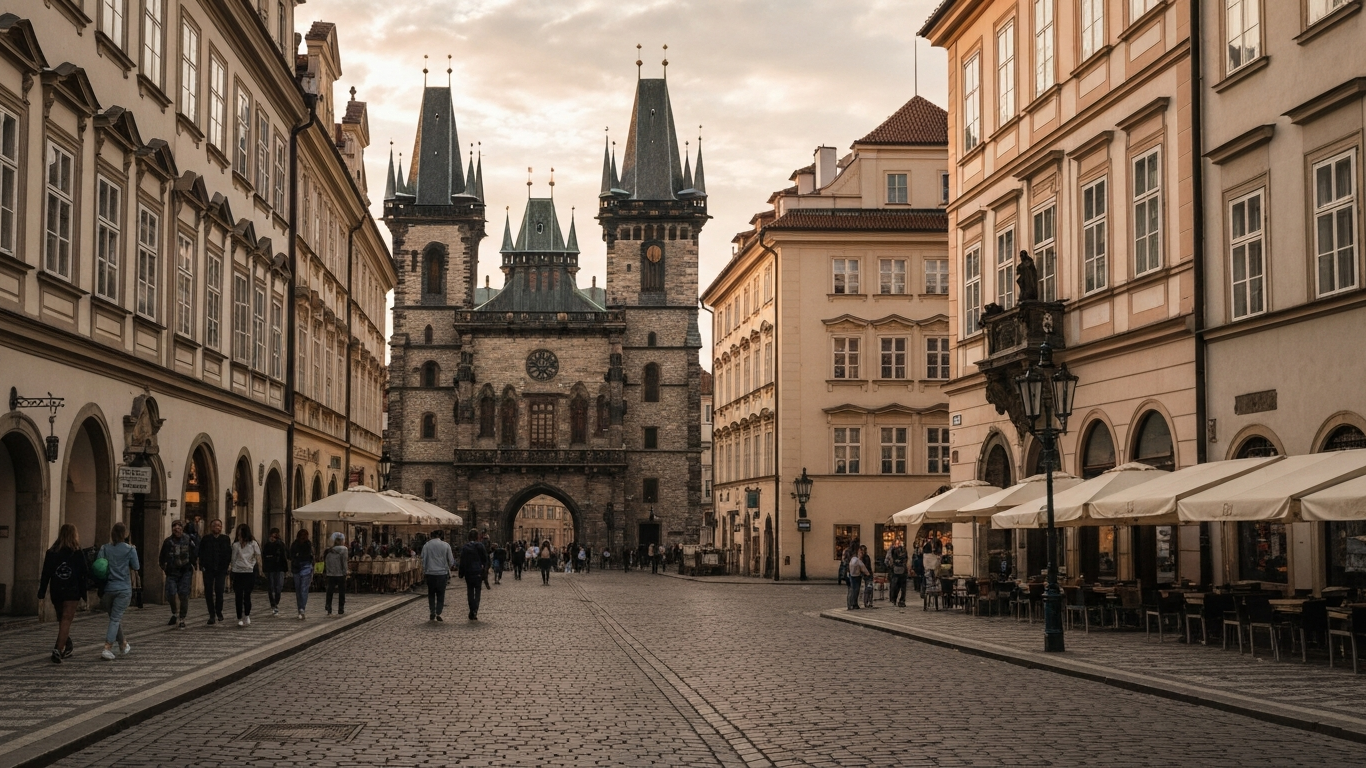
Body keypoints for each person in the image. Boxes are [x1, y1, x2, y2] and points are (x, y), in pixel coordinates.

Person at [38, 523, 87, 663]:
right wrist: (84, 593)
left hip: (57, 589)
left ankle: (66, 643)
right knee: (66, 619)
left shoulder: (51, 552)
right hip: (72, 590)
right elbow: (83, 573)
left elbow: (46, 573)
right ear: (74, 535)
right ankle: (58, 650)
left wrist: (42, 591)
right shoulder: (76, 552)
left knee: (62, 618)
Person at [97, 522, 139, 660]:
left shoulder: (104, 548)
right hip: (123, 589)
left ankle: (122, 644)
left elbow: (99, 565)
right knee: (115, 619)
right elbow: (136, 566)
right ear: (125, 534)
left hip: (108, 589)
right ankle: (107, 647)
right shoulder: (130, 549)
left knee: (114, 618)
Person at [158, 520, 196, 629]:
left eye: (179, 528)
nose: (177, 530)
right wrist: (164, 567)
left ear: (182, 529)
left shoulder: (188, 539)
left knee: (183, 594)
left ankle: (182, 618)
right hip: (172, 571)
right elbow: (162, 556)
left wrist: (193, 563)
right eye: (175, 528)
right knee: (170, 592)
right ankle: (174, 612)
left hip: (185, 571)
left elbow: (193, 552)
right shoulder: (168, 541)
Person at [198, 519, 231, 626]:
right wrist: (202, 565)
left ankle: (219, 611)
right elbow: (201, 552)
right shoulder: (206, 539)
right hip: (208, 569)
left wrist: (227, 565)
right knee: (208, 592)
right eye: (214, 525)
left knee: (219, 591)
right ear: (211, 527)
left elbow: (228, 553)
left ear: (221, 527)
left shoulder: (225, 539)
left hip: (221, 569)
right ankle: (211, 615)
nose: (216, 527)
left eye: (219, 525)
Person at [229, 524, 261, 627]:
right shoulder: (235, 545)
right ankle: (239, 617)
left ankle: (246, 614)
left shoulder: (253, 544)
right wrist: (232, 571)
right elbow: (233, 559)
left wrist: (257, 568)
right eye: (238, 534)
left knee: (247, 595)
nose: (239, 536)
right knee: (238, 596)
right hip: (238, 572)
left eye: (241, 534)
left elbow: (258, 556)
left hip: (249, 572)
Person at [421, 529, 455, 622]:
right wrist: (448, 567)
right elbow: (451, 560)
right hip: (442, 573)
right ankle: (438, 612)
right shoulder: (446, 545)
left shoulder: (426, 545)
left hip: (430, 573)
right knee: (441, 593)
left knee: (431, 593)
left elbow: (423, 559)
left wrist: (424, 570)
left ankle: (432, 611)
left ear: (432, 536)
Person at [459, 530, 490, 621]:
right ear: (477, 537)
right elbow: (485, 559)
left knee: (470, 591)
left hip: (468, 572)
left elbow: (462, 561)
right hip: (478, 571)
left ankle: (472, 609)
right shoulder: (480, 546)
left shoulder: (465, 547)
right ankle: (475, 609)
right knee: (477, 591)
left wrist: (461, 572)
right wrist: (485, 569)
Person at [289, 529, 316, 620]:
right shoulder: (308, 544)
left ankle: (300, 608)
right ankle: (301, 609)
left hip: (298, 567)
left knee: (299, 589)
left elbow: (290, 556)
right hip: (305, 567)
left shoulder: (295, 544)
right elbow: (312, 557)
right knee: (303, 589)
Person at [262, 528, 288, 616]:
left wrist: (285, 569)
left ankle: (276, 602)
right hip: (270, 568)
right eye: (272, 535)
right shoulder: (267, 545)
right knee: (271, 587)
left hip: (279, 568)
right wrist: (264, 569)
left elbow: (284, 557)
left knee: (279, 587)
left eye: (275, 535)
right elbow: (264, 557)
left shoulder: (281, 544)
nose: (273, 537)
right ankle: (273, 604)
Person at [324, 532, 348, 616]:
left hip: (330, 574)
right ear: (342, 541)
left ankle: (328, 607)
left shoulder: (328, 550)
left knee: (330, 591)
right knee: (342, 592)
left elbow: (326, 562)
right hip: (340, 573)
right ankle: (340, 609)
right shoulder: (344, 549)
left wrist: (327, 572)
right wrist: (345, 571)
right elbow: (344, 561)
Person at [886, 538, 909, 608]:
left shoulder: (895, 550)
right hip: (897, 570)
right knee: (897, 586)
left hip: (898, 570)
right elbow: (888, 560)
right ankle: (898, 600)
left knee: (898, 586)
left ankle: (896, 600)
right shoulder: (893, 550)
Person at [845, 542, 868, 610]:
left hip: (850, 574)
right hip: (854, 575)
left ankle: (850, 605)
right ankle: (853, 604)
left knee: (851, 590)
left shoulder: (848, 553)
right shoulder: (854, 556)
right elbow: (861, 565)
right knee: (854, 590)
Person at [921, 540, 942, 610]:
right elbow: (936, 564)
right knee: (932, 587)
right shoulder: (930, 556)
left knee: (929, 588)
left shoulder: (925, 555)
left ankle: (928, 604)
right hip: (930, 573)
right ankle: (933, 604)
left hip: (928, 573)